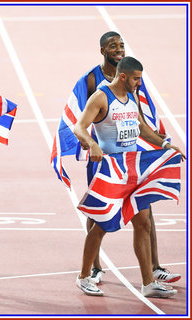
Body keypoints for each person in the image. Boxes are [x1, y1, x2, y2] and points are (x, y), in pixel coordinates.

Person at [73, 56, 185, 297]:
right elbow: (79, 127)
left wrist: (166, 145)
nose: (139, 83)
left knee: (143, 223)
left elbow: (143, 128)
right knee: (102, 225)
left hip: (133, 169)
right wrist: (91, 143)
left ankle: (147, 283)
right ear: (123, 76)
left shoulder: (132, 96)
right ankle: (83, 277)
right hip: (110, 171)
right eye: (136, 79)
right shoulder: (101, 97)